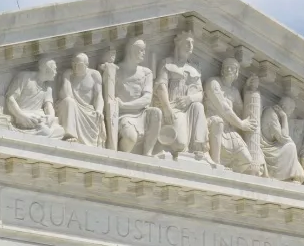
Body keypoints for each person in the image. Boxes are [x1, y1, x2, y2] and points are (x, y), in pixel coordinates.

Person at [154, 31, 209, 160]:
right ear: (178, 44)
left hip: (188, 108)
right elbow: (161, 86)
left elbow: (200, 94)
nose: (190, 46)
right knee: (180, 143)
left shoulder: (194, 69)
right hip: (173, 107)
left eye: (192, 43)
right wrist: (167, 108)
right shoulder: (167, 63)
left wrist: (189, 99)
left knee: (198, 107)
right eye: (187, 42)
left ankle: (199, 147)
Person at [103, 39, 163, 155]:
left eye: (144, 50)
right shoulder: (116, 70)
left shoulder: (146, 72)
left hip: (141, 113)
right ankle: (122, 159)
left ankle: (148, 153)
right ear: (131, 50)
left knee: (156, 113)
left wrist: (125, 104)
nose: (143, 53)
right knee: (130, 137)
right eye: (141, 50)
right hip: (123, 115)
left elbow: (147, 99)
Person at [204, 57, 260, 174]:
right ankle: (216, 164)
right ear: (222, 70)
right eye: (227, 67)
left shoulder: (234, 91)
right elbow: (223, 108)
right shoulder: (213, 83)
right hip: (211, 124)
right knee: (218, 122)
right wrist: (241, 124)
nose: (229, 70)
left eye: (233, 68)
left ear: (237, 73)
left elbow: (240, 112)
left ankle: (228, 173)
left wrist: (248, 90)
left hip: (229, 130)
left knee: (247, 160)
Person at [4, 57, 65, 138]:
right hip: (24, 116)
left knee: (61, 131)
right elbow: (10, 98)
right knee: (46, 132)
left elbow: (48, 106)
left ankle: (35, 134)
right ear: (47, 70)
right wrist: (21, 116)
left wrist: (51, 117)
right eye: (54, 69)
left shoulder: (47, 88)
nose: (56, 72)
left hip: (39, 119)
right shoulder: (25, 77)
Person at [57, 53, 105, 146]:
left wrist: (99, 109)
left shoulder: (94, 74)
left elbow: (99, 95)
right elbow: (67, 95)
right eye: (73, 63)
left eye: (79, 65)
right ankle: (70, 134)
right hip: (71, 109)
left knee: (94, 114)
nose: (75, 67)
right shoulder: (68, 75)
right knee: (69, 102)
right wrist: (66, 77)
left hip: (88, 110)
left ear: (86, 64)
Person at [260, 95, 304, 183]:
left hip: (272, 146)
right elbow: (283, 138)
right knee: (290, 146)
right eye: (291, 109)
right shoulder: (271, 113)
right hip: (266, 147)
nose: (291, 113)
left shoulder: (276, 115)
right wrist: (284, 117)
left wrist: (283, 117)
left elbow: (284, 137)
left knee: (291, 146)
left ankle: (290, 176)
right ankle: (283, 176)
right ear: (284, 107)